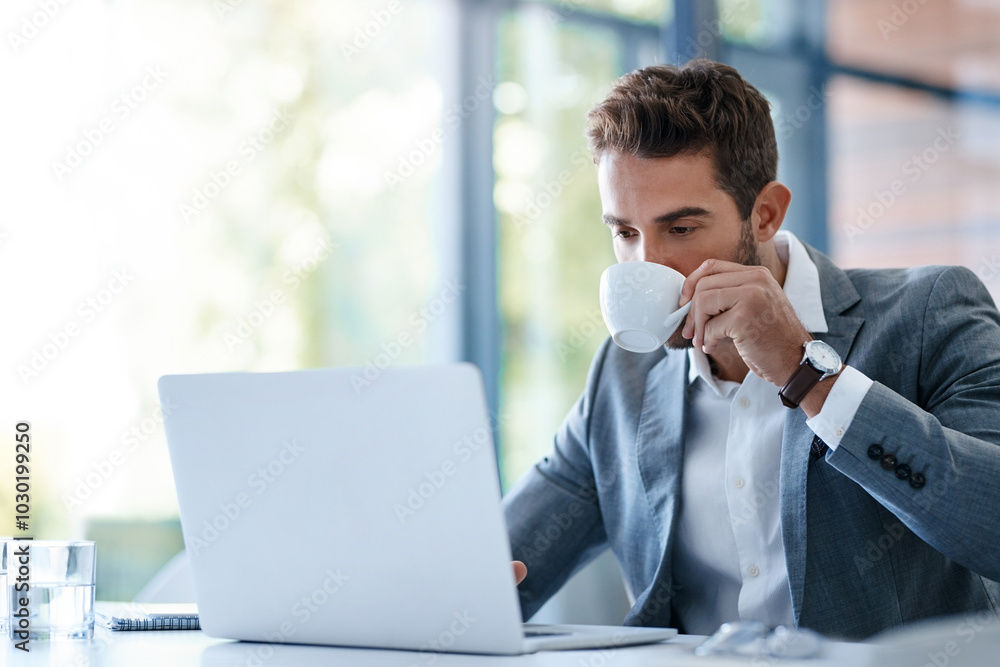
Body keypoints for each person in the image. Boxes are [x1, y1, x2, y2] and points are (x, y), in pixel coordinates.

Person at [501, 59, 1000, 641]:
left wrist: (807, 373)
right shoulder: (624, 375)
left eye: (681, 229)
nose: (647, 264)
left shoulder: (927, 312)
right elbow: (506, 563)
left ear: (764, 214)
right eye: (625, 232)